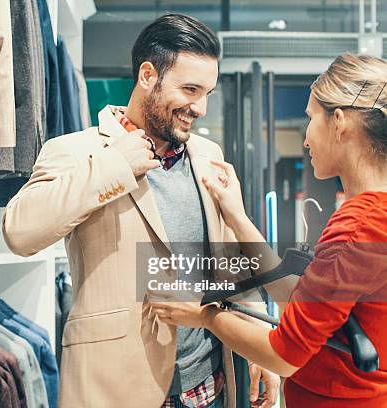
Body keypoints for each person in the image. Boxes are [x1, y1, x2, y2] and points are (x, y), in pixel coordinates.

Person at [2, 13, 279, 408]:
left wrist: (257, 339)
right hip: (118, 388)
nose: (200, 107)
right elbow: (19, 232)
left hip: (210, 385)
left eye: (207, 93)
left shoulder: (208, 156)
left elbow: (230, 258)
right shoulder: (77, 151)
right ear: (148, 75)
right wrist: (114, 166)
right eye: (189, 89)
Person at [150, 53, 387, 407]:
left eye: (310, 119)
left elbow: (283, 355)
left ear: (339, 122)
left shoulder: (359, 226)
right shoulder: (374, 214)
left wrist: (205, 316)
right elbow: (303, 302)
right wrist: (238, 218)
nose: (306, 139)